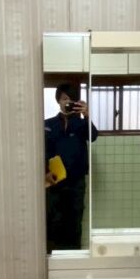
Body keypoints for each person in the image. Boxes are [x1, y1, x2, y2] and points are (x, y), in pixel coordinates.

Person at [44, 83, 98, 251]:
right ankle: (52, 255)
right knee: (53, 220)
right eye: (64, 98)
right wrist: (45, 172)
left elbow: (93, 136)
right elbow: (42, 151)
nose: (67, 102)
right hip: (54, 181)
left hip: (76, 182)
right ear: (58, 101)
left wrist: (87, 116)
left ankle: (73, 256)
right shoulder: (48, 124)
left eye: (71, 99)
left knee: (74, 220)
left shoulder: (81, 124)